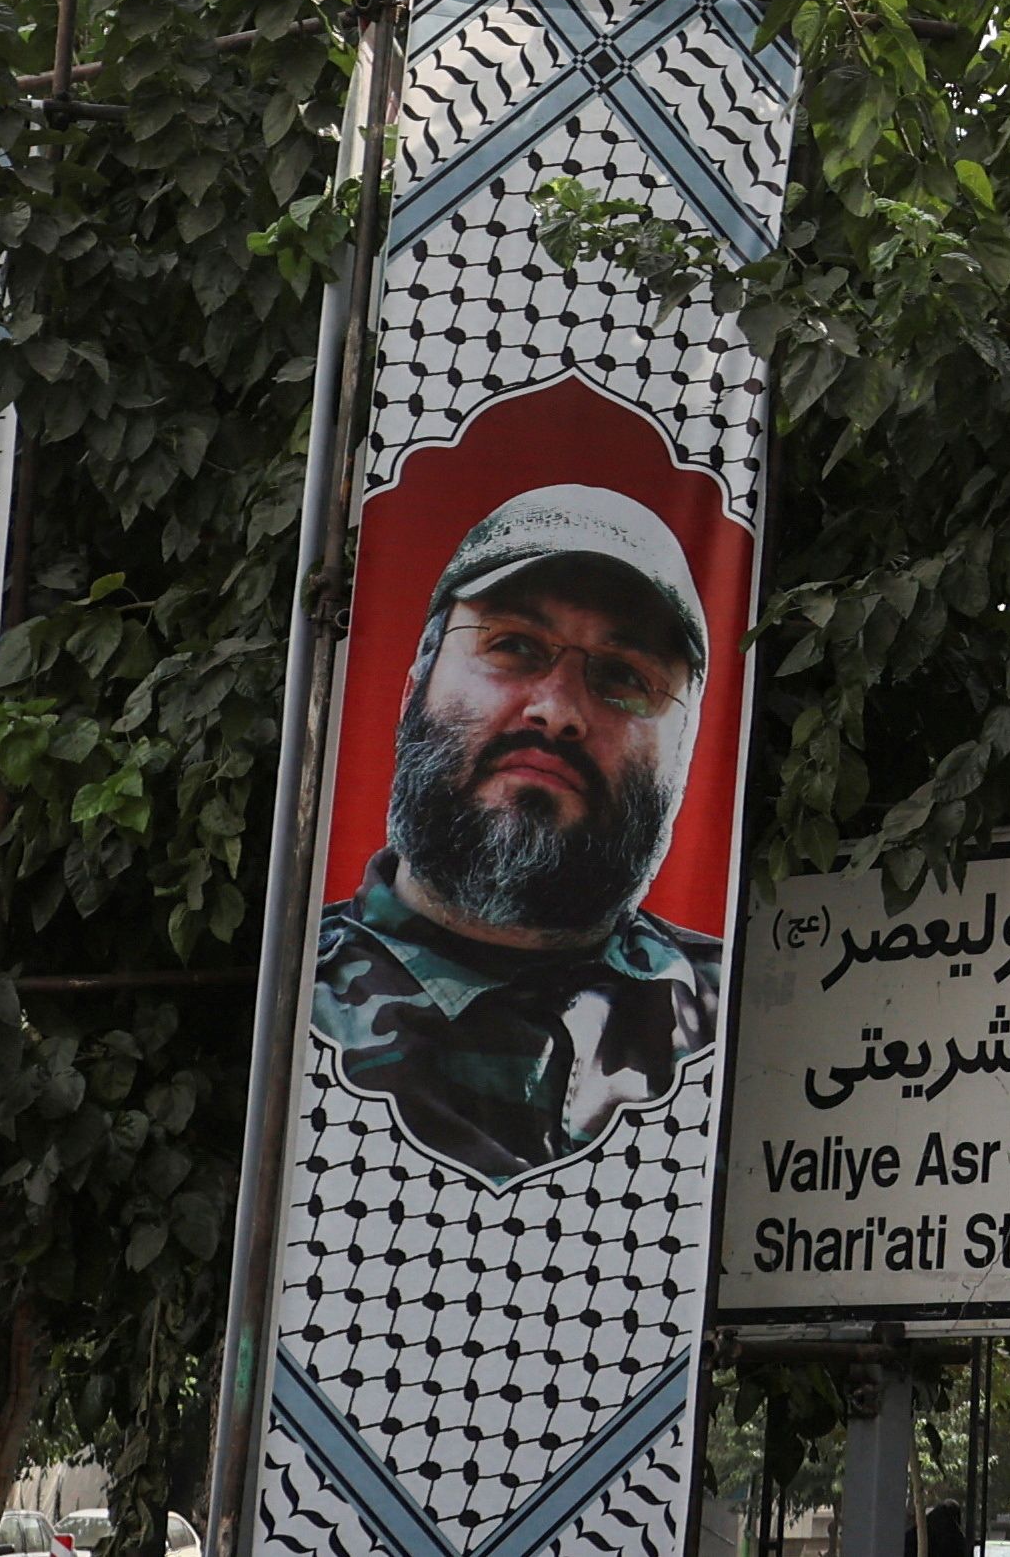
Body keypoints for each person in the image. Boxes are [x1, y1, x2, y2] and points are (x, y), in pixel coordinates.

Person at [311, 482, 727, 1187]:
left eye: (625, 677)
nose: (558, 710)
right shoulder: (288, 1009)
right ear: (413, 689)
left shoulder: (740, 1020)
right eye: (513, 646)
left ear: (684, 757)